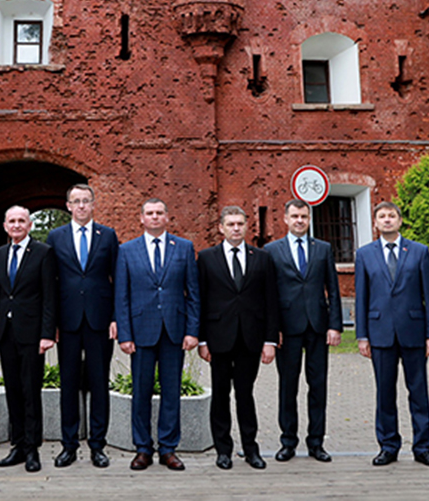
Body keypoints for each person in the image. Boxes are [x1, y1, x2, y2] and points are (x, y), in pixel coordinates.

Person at [114, 198, 200, 471]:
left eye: (159, 213)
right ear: (141, 218)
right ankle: (142, 448)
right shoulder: (127, 251)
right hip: (140, 333)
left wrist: (192, 331)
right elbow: (122, 297)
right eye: (149, 213)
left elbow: (193, 294)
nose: (154, 217)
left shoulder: (184, 248)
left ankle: (168, 448)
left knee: (171, 392)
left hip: (174, 331)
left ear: (167, 217)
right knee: (140, 392)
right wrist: (124, 334)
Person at [355, 201, 429, 468]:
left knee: (418, 391)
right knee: (384, 393)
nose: (387, 220)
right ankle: (388, 445)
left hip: (414, 332)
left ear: (400, 220)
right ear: (375, 223)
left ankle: (423, 447)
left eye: (391, 216)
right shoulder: (365, 254)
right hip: (380, 333)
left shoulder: (418, 252)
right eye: (382, 216)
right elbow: (361, 298)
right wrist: (362, 336)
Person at [197, 205, 280, 470]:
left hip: (250, 338)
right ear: (221, 227)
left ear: (247, 227)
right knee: (220, 395)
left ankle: (251, 448)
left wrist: (270, 341)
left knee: (246, 394)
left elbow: (271, 301)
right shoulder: (207, 258)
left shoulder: (262, 258)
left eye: (240, 224)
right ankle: (223, 450)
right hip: (218, 337)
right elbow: (199, 300)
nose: (235, 228)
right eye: (230, 224)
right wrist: (201, 340)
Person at [262, 198, 343, 462]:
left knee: (318, 385)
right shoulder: (272, 250)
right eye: (295, 216)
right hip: (287, 329)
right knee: (288, 386)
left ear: (309, 220)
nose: (299, 221)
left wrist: (335, 325)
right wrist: (272, 333)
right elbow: (268, 295)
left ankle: (316, 442)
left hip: (318, 327)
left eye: (304, 217)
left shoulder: (323, 249)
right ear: (285, 219)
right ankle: (288, 442)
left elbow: (333, 288)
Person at [45, 183, 119, 468]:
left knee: (100, 383)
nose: (81, 206)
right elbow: (49, 283)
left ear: (93, 204)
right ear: (68, 205)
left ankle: (98, 446)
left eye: (86, 201)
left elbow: (117, 279)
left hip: (100, 322)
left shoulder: (108, 236)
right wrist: (50, 325)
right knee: (69, 384)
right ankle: (69, 445)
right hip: (68, 322)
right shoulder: (56, 237)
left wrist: (115, 318)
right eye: (75, 201)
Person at [0, 206, 58, 472]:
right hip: (6, 334)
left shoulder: (43, 253)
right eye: (12, 221)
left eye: (22, 221)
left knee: (31, 392)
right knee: (13, 391)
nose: (17, 225)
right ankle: (17, 446)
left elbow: (49, 296)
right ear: (5, 226)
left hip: (32, 336)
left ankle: (33, 449)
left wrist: (47, 334)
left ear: (30, 225)